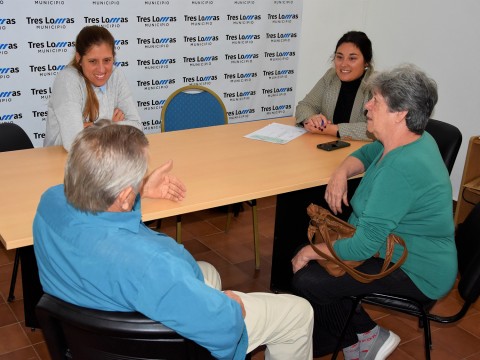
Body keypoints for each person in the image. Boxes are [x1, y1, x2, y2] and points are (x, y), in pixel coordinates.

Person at [33, 120, 314, 360]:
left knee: (208, 273)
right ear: (123, 196)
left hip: (90, 328)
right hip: (152, 345)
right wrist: (232, 307)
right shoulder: (151, 264)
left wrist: (140, 188)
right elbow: (224, 328)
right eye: (138, 176)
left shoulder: (50, 202)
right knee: (297, 314)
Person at [291, 64, 457, 359]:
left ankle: (368, 335)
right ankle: (340, 337)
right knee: (314, 258)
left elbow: (362, 247)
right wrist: (342, 171)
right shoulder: (412, 140)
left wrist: (309, 252)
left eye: (375, 101)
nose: (367, 106)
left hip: (417, 270)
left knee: (309, 277)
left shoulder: (401, 169)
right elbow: (368, 152)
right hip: (398, 248)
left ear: (401, 113)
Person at [44, 25, 142, 151]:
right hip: (63, 160)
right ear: (79, 58)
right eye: (93, 61)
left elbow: (137, 128)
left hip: (105, 156)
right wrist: (112, 125)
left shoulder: (116, 75)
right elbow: (74, 143)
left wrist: (94, 127)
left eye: (107, 60)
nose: (101, 69)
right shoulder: (67, 80)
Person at [295, 30, 374, 141]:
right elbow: (305, 105)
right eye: (339, 57)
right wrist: (312, 119)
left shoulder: (377, 85)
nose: (343, 64)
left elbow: (376, 128)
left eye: (352, 58)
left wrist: (331, 129)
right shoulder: (331, 76)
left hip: (362, 151)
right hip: (330, 146)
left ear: (366, 62)